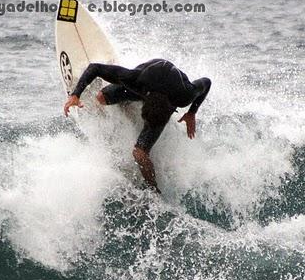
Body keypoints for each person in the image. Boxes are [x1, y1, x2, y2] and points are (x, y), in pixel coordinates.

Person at [64, 58, 211, 193]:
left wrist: (192, 112)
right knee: (100, 97)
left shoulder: (185, 95)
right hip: (144, 84)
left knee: (139, 153)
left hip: (167, 94)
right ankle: (124, 103)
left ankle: (153, 189)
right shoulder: (134, 79)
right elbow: (94, 67)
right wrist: (76, 94)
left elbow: (206, 82)